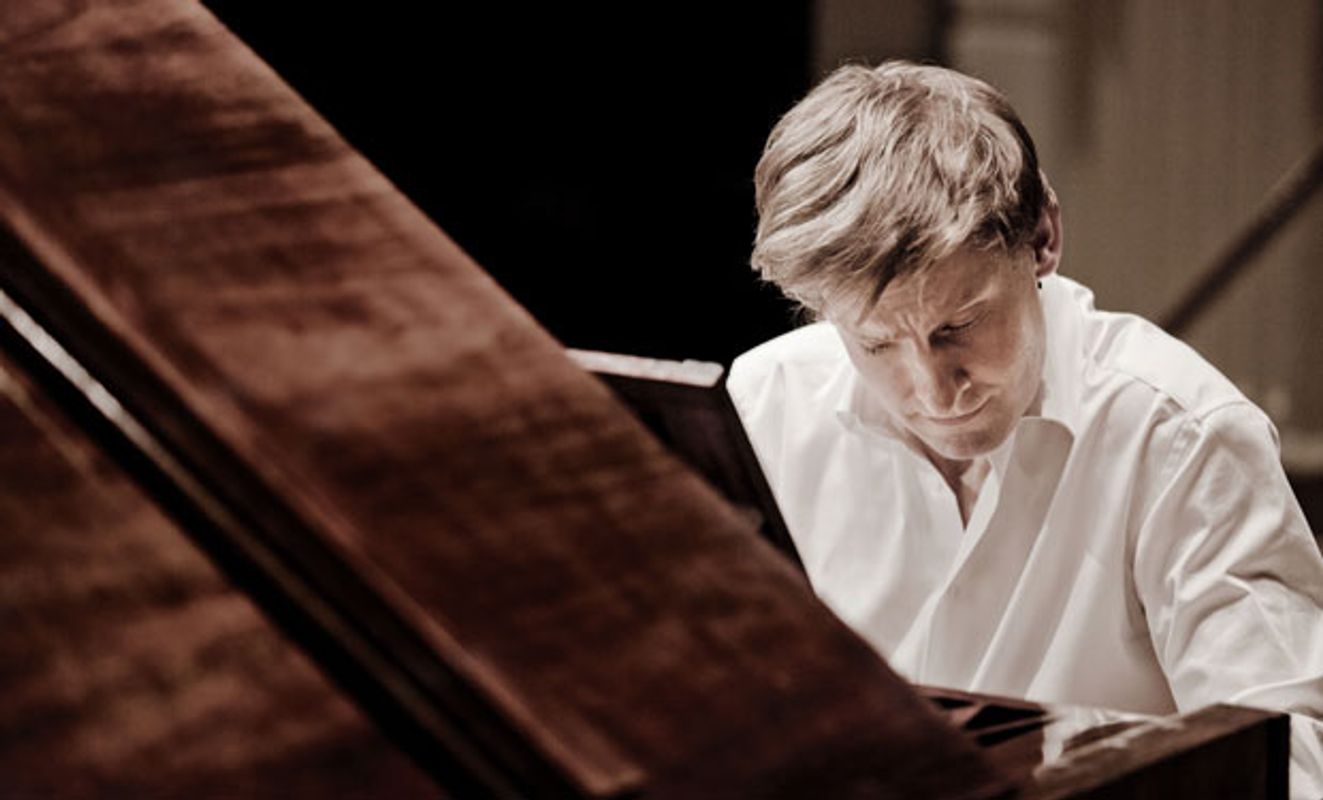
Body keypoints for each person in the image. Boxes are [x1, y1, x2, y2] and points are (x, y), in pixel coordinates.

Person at [728, 60, 1323, 797]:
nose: (933, 389)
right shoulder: (765, 404)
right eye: (876, 343)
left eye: (960, 324)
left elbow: (1287, 762)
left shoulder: (1179, 435)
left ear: (1041, 237)